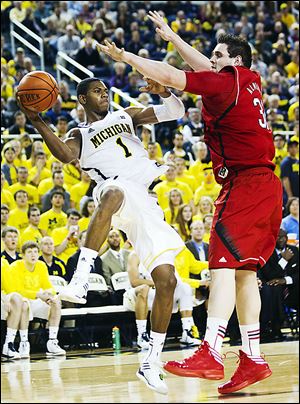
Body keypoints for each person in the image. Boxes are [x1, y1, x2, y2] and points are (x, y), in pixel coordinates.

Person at [97, 16, 283, 394]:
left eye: (217, 56)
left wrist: (126, 56)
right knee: (245, 273)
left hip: (244, 184)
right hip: (267, 185)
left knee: (222, 266)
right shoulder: (248, 81)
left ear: (233, 62)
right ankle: (253, 357)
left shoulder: (223, 80)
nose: (209, 61)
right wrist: (174, 37)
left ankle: (211, 350)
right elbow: (204, 66)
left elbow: (170, 75)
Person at [17, 75, 185, 394]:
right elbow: (67, 156)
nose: (104, 95)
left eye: (105, 91)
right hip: (113, 189)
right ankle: (81, 278)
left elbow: (174, 112)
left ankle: (151, 360)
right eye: (97, 92)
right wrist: (37, 121)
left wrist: (166, 92)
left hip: (146, 201)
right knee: (112, 193)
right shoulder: (80, 133)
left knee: (167, 282)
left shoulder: (127, 115)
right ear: (82, 99)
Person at [123, 251, 201, 350]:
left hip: (158, 292)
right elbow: (134, 282)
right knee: (144, 288)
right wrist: (159, 283)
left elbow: (175, 280)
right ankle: (142, 335)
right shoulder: (135, 255)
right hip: (135, 295)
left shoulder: (164, 254)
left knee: (184, 287)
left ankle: (187, 332)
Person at [9, 241, 66, 356]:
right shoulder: (15, 266)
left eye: (35, 252)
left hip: (37, 299)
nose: (33, 255)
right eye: (29, 252)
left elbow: (48, 286)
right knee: (24, 305)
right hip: (20, 300)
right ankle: (24, 343)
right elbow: (18, 291)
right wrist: (39, 295)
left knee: (56, 302)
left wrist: (49, 293)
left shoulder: (41, 265)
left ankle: (52, 342)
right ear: (22, 255)